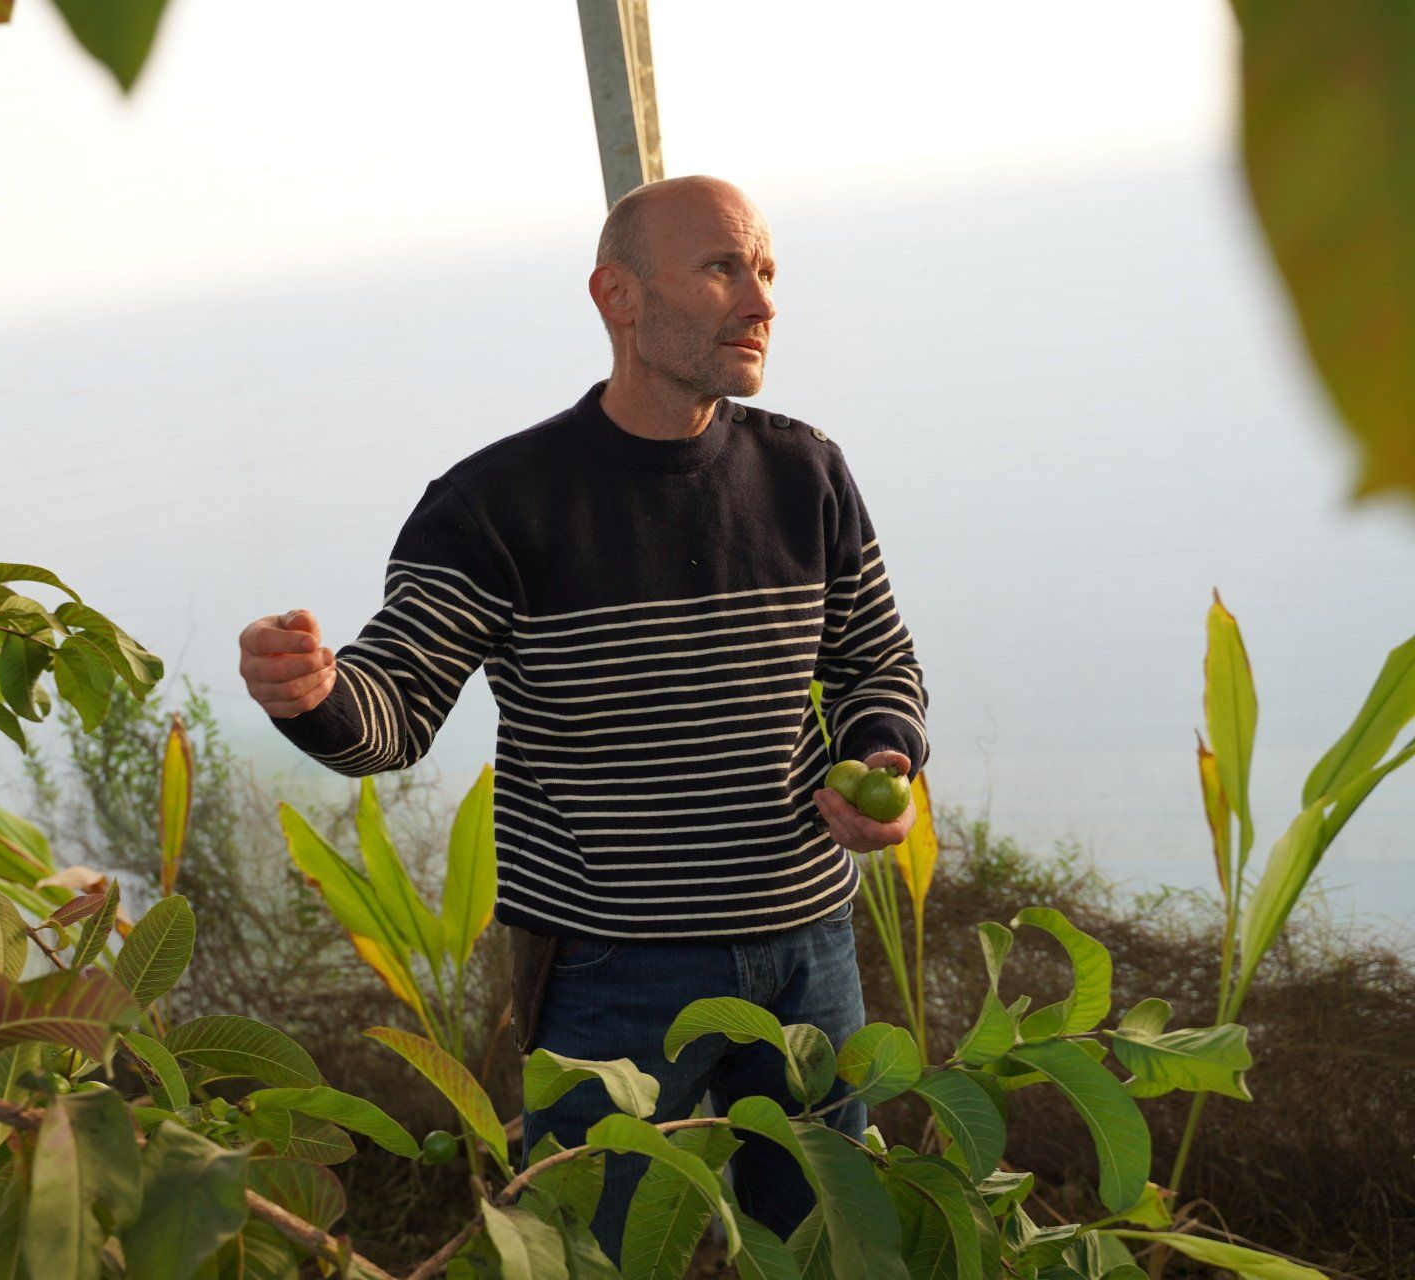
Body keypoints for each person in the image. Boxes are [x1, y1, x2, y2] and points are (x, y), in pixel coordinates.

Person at [237, 174, 929, 1263]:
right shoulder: (495, 504)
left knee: (830, 1248)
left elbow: (874, 660)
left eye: (766, 270)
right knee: (593, 1255)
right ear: (618, 295)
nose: (760, 301)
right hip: (614, 973)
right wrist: (313, 693)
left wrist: (878, 752)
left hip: (810, 954)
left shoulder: (807, 472)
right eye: (721, 268)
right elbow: (394, 712)